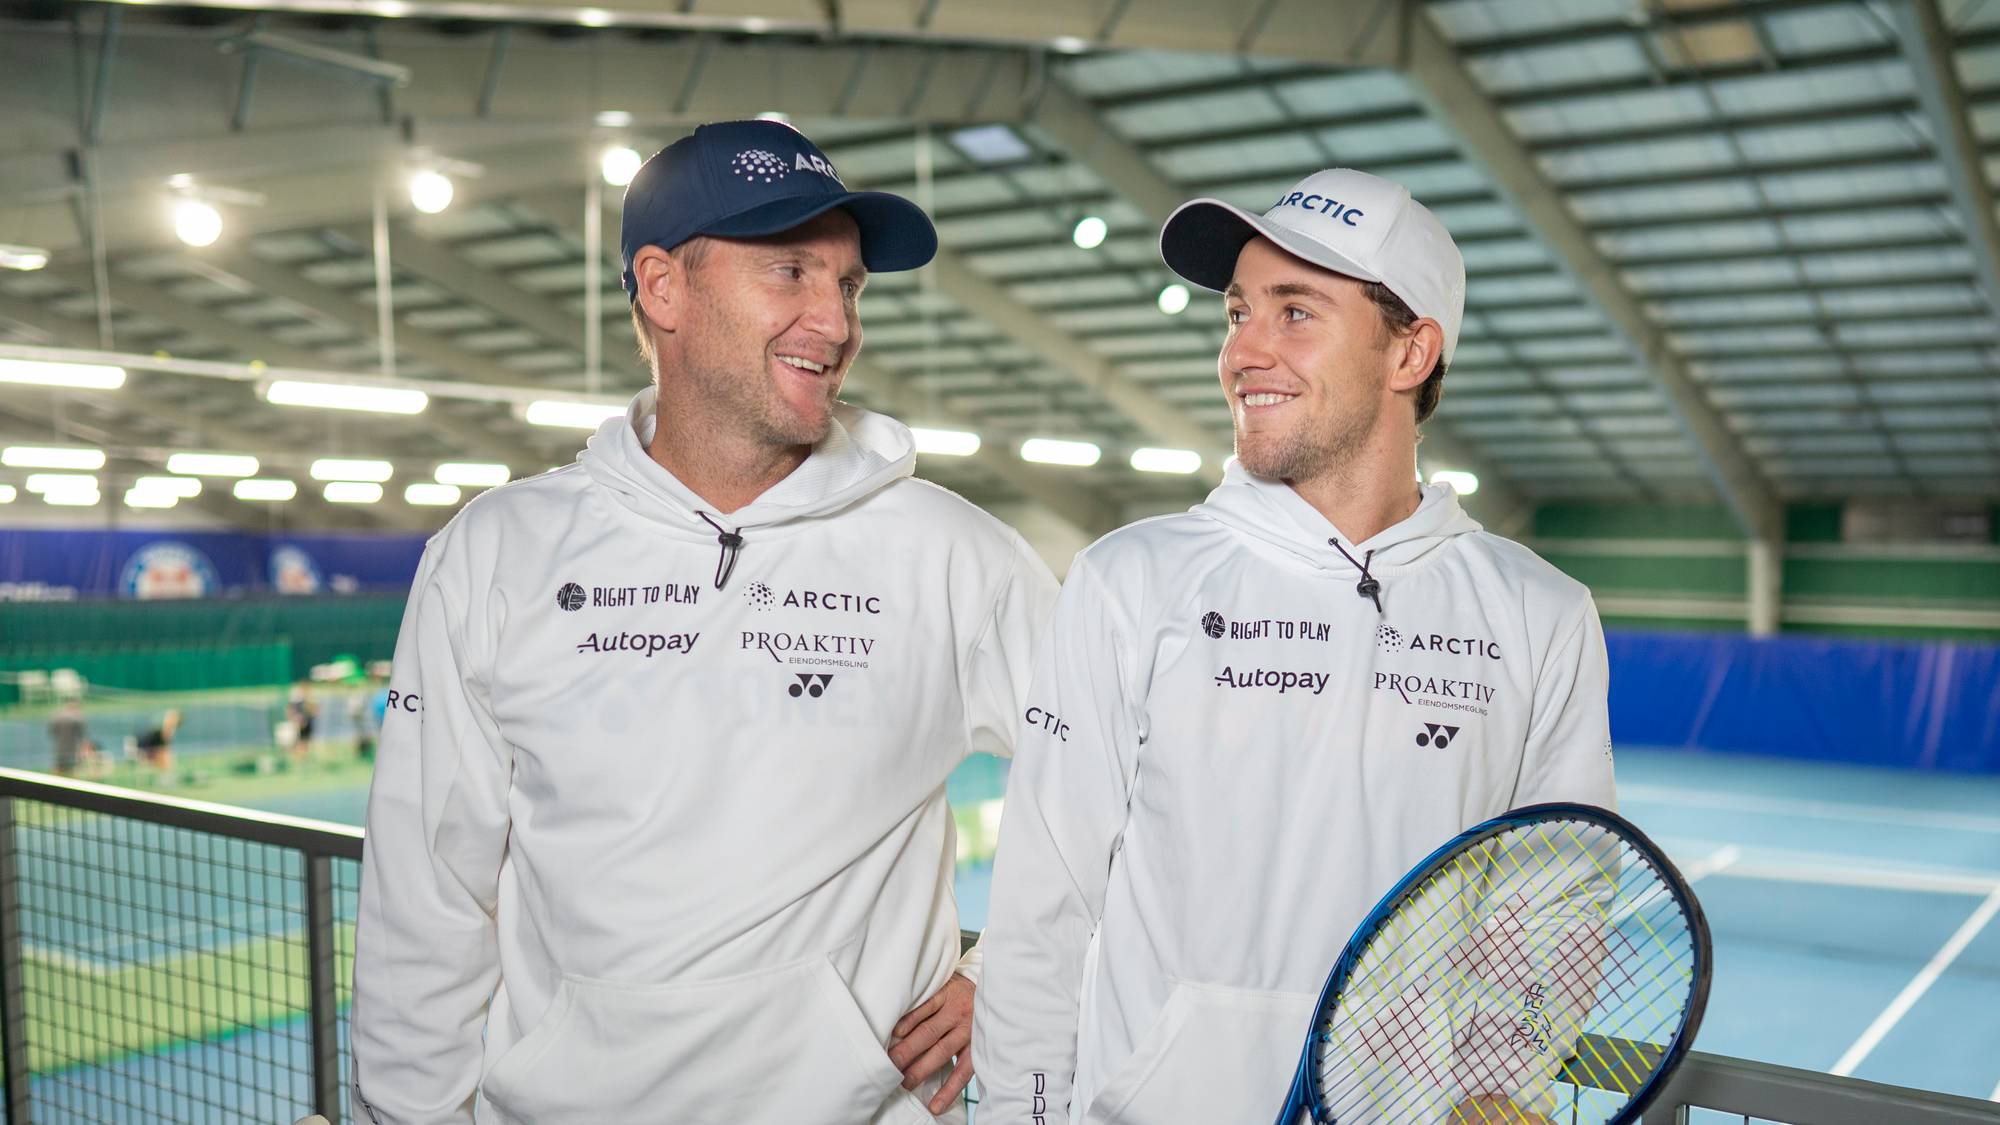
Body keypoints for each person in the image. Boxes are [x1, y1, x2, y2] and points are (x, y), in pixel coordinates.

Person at [351, 119, 1057, 1125]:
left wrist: (1012, 972)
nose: (836, 321)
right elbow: (424, 894)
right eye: (790, 273)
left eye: (848, 284)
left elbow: (1124, 783)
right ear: (662, 286)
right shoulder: (497, 553)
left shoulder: (950, 553)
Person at [972, 168, 1616, 1125]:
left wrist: (1496, 1091)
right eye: (1238, 313)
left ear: (1411, 352)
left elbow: (1549, 899)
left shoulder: (1539, 614)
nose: (1244, 351)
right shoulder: (1131, 579)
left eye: (1295, 312)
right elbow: (1043, 903)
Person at [48, 699, 89, 777]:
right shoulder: (78, 718)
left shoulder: (57, 716)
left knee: (59, 768)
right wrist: (83, 747)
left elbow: (52, 731)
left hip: (60, 747)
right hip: (72, 748)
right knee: (74, 769)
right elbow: (82, 735)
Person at [135, 708, 179, 774]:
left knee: (167, 758)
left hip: (150, 751)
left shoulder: (165, 732)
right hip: (146, 751)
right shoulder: (160, 732)